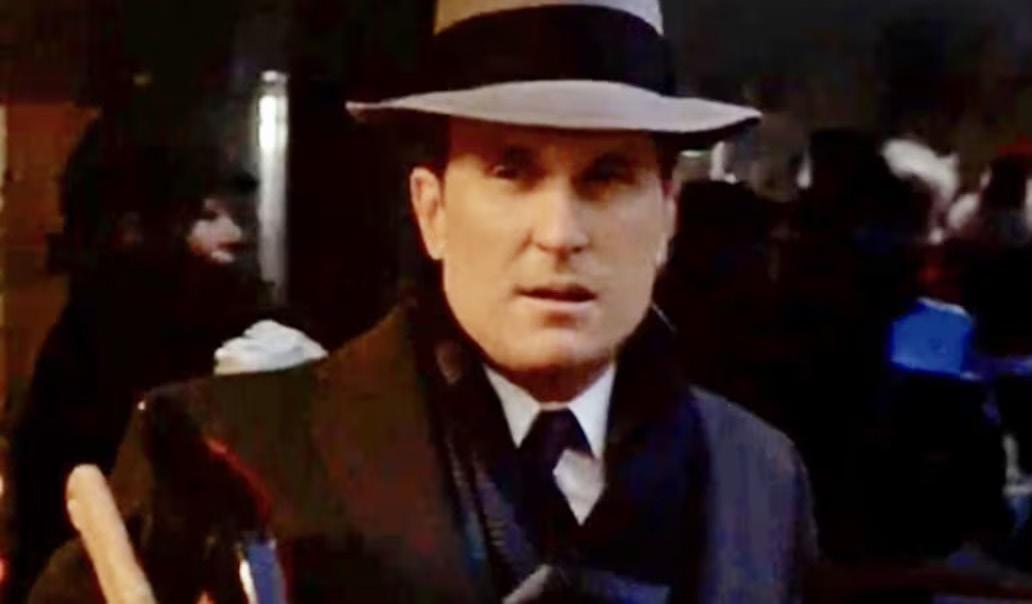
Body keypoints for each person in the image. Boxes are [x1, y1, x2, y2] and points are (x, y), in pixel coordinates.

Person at [29, 1, 817, 602]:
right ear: (431, 209)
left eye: (606, 176)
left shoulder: (761, 476)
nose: (558, 233)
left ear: (667, 216)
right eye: (511, 171)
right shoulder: (217, 461)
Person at [3, 114, 279, 602]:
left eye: (239, 210)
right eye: (206, 215)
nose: (236, 232)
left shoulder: (246, 335)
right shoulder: (91, 360)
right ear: (133, 230)